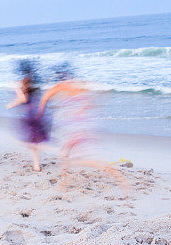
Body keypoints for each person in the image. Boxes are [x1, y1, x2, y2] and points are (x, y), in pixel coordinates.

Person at [38, 63, 127, 191]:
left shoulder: (60, 86)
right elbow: (97, 96)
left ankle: (119, 178)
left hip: (71, 126)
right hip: (86, 124)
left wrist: (40, 114)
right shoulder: (80, 84)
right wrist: (81, 109)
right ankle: (64, 182)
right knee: (66, 153)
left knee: (80, 158)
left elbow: (44, 100)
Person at [7, 59, 50, 171]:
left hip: (29, 116)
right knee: (35, 141)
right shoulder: (34, 82)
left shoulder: (20, 84)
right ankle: (36, 165)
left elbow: (23, 98)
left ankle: (37, 164)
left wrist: (11, 105)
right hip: (38, 114)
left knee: (28, 141)